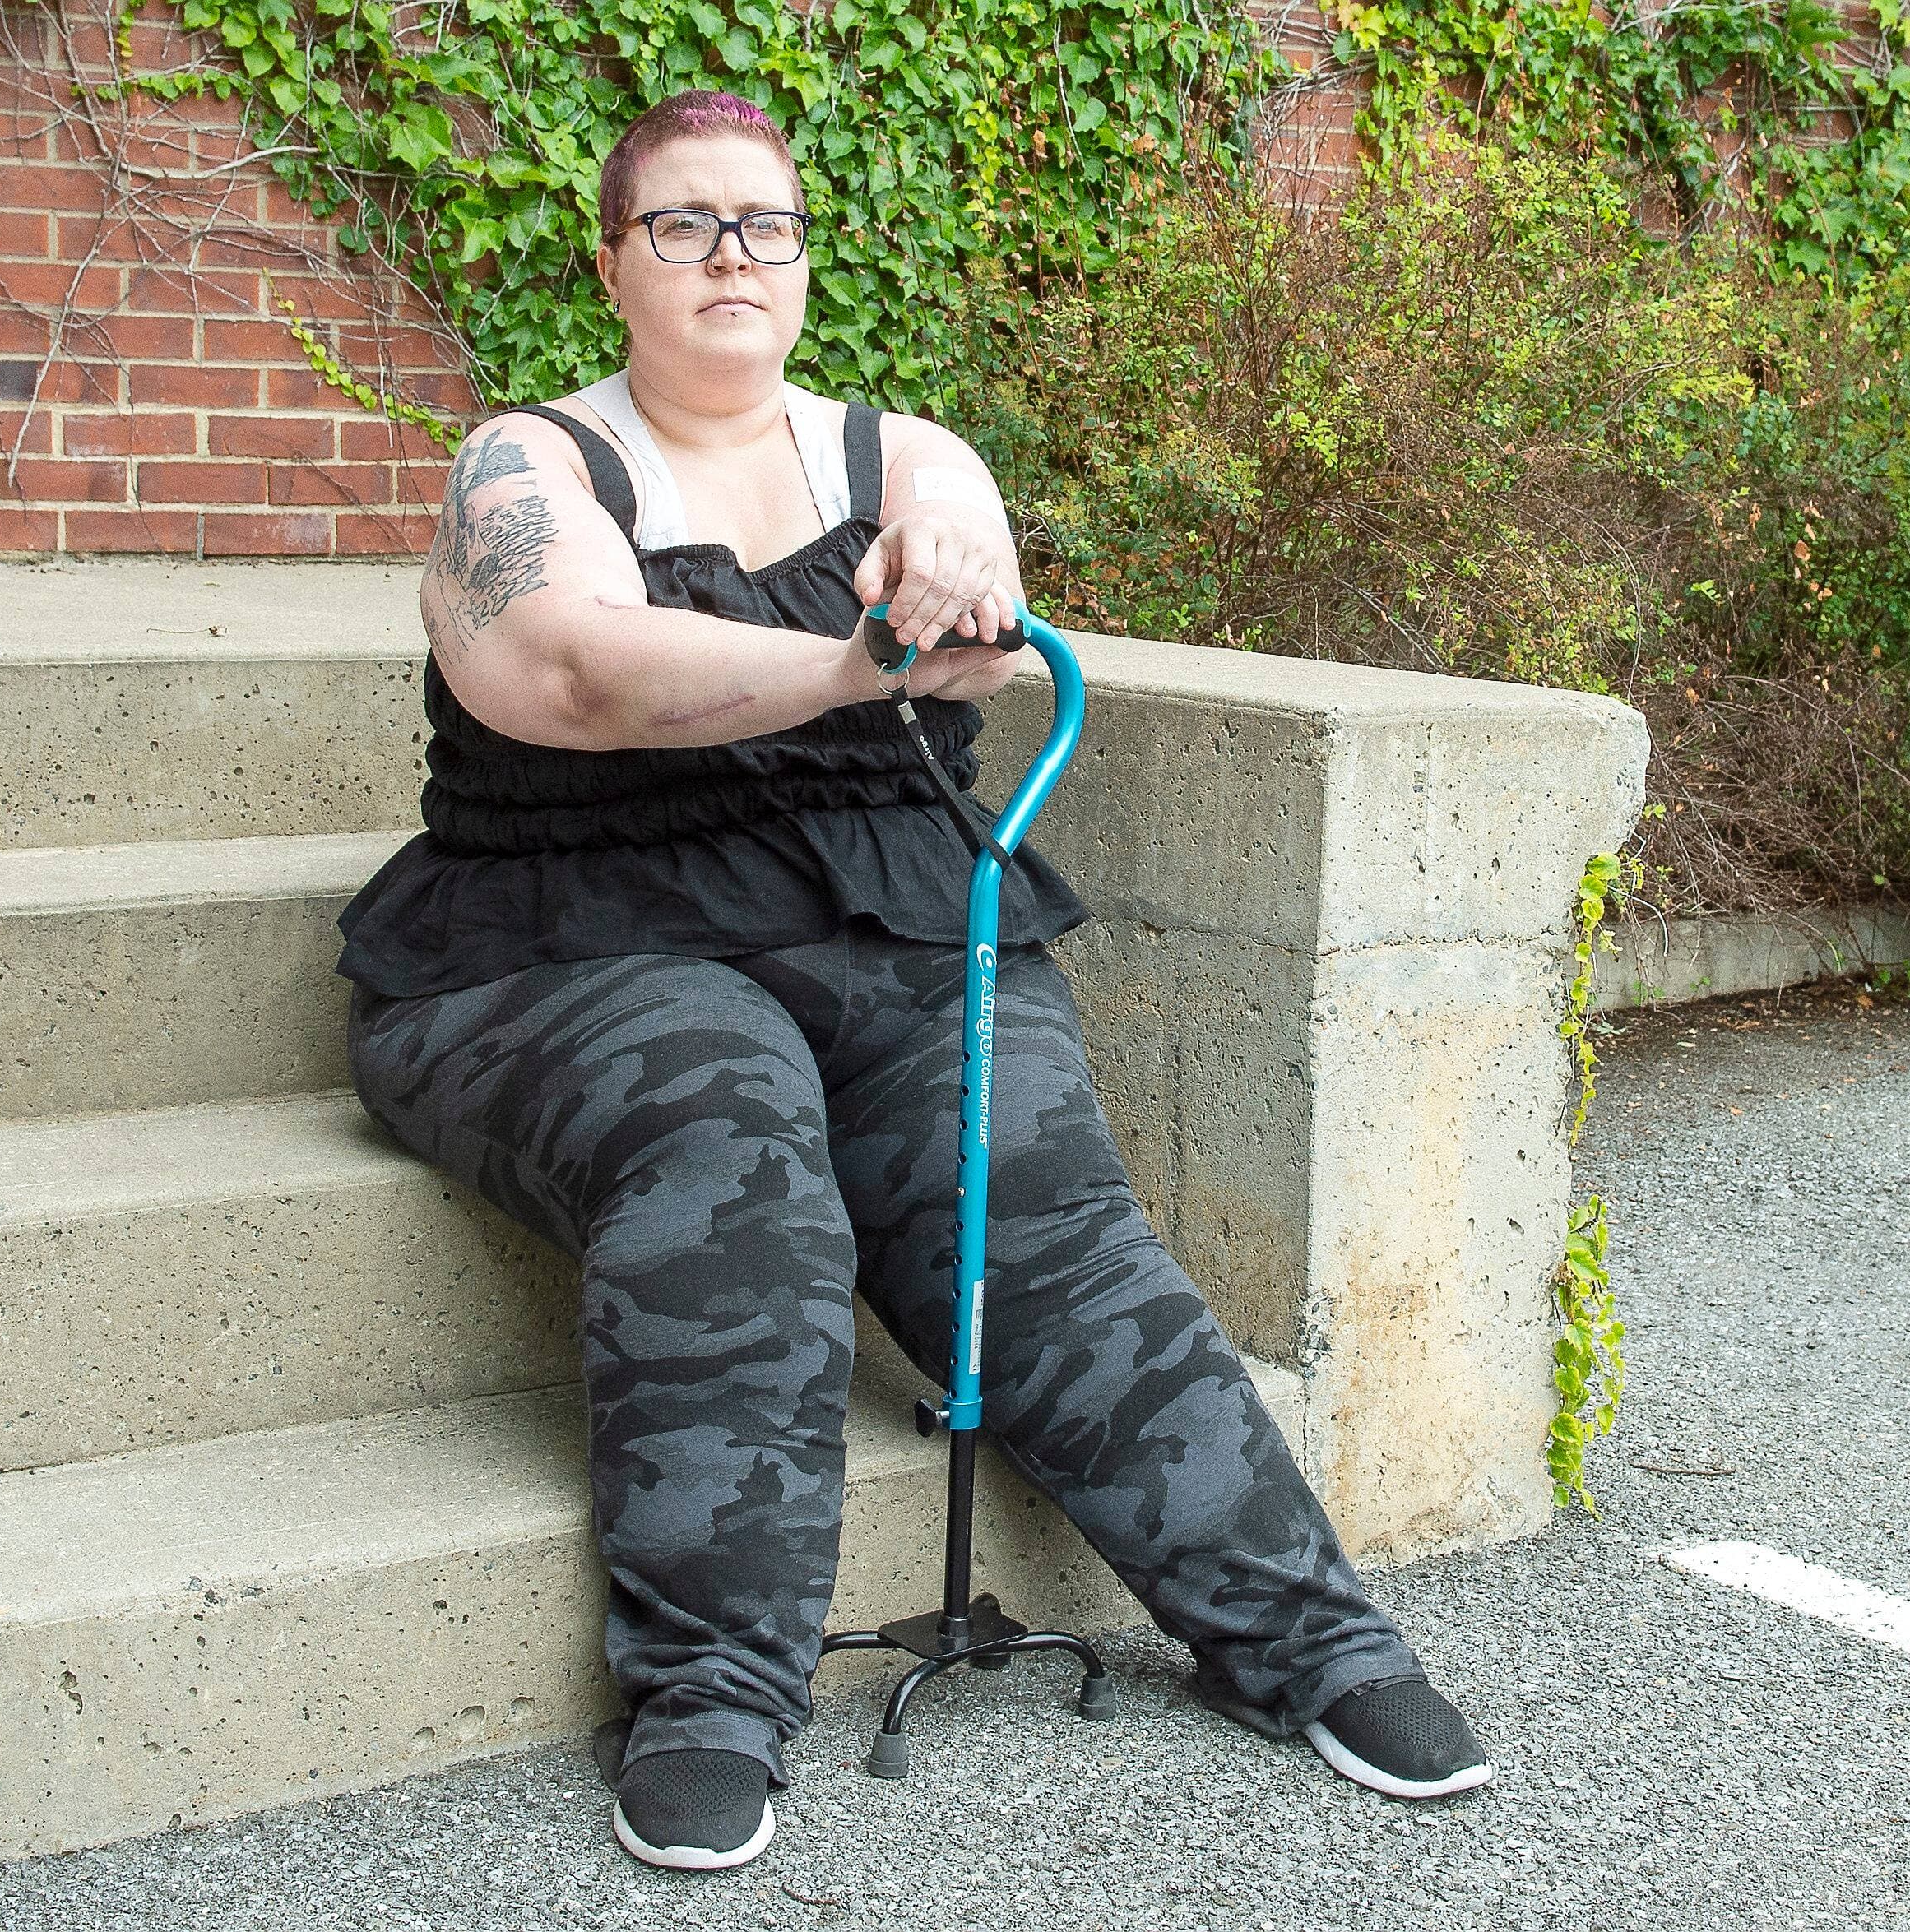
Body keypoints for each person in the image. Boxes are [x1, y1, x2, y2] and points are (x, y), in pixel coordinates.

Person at [336, 89, 1492, 1873]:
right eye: (686, 224)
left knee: (1037, 1209)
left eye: (767, 226)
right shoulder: (529, 467)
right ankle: (716, 1689)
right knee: (730, 1134)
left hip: (882, 913)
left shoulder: (908, 453)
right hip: (570, 938)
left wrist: (941, 601)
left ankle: (1308, 1633)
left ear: (804, 255)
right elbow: (568, 669)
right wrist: (846, 662)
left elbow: (967, 619)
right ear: (613, 260)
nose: (735, 256)